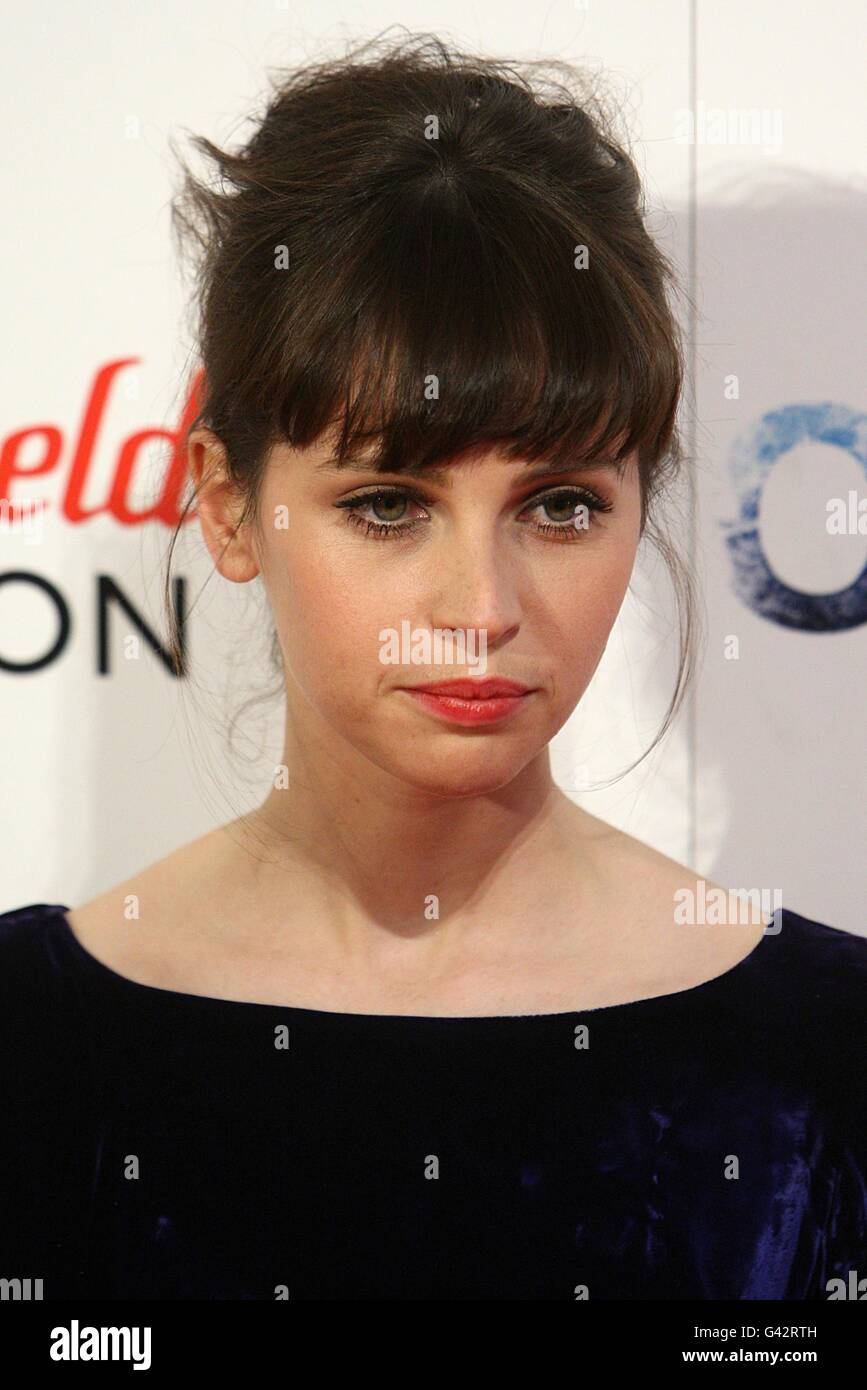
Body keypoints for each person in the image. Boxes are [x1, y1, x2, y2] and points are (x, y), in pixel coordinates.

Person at [1, 32, 864, 1301]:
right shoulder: (29, 1052)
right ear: (229, 507)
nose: (481, 607)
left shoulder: (828, 1063)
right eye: (390, 504)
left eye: (561, 504)